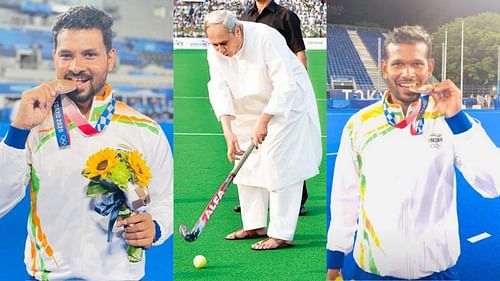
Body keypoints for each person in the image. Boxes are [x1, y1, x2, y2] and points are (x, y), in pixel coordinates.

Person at [0, 6, 172, 280]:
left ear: (110, 58)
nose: (76, 67)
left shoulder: (145, 129)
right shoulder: (32, 125)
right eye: (66, 55)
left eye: (89, 54)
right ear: (54, 57)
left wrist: (158, 226)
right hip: (47, 275)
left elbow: (166, 199)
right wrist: (18, 131)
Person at [326, 25, 500, 280]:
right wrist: (335, 259)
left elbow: (493, 184)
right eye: (398, 64)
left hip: (438, 271)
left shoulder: (450, 121)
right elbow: (345, 196)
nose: (408, 73)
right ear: (384, 67)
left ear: (429, 67)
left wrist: (457, 118)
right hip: (373, 271)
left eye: (417, 64)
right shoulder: (359, 125)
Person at [204, 10, 321, 250]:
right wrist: (228, 131)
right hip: (247, 106)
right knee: (244, 163)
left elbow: (285, 85)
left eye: (223, 43)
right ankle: (254, 225)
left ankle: (281, 233)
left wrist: (265, 119)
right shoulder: (215, 49)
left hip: (287, 104)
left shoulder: (267, 38)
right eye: (214, 44)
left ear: (237, 30)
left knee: (278, 161)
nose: (219, 49)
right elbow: (218, 87)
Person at [232, 0, 310, 216]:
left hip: (282, 89)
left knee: (286, 149)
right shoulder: (244, 17)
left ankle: (297, 200)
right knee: (255, 147)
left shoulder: (286, 16)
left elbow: (299, 52)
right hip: (257, 92)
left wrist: (297, 87)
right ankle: (254, 200)